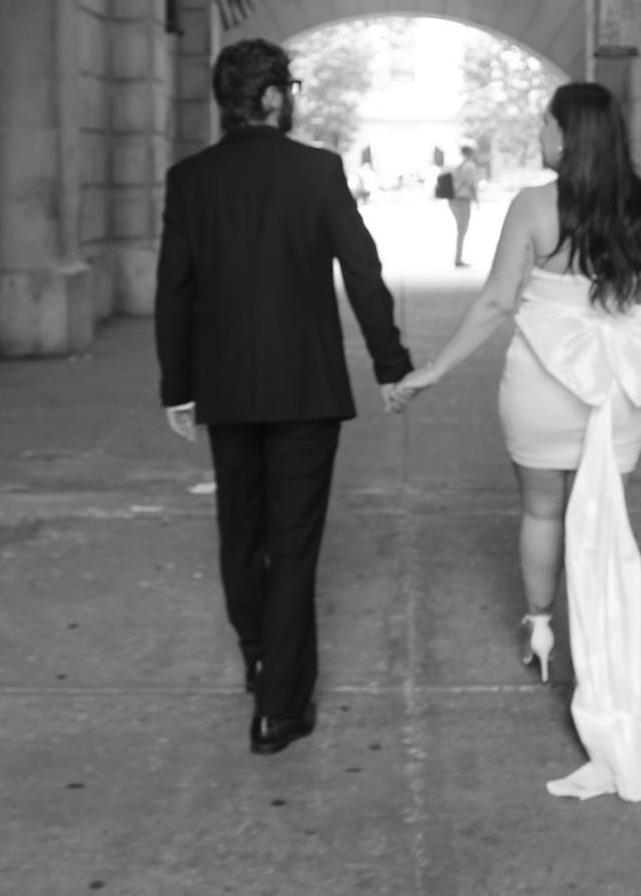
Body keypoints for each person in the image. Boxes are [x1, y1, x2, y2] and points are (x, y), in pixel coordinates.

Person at [396, 82, 641, 802]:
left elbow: (498, 300)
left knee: (541, 510)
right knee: (602, 516)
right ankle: (601, 647)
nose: (539, 134)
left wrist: (433, 369)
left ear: (566, 135)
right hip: (615, 393)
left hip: (542, 386)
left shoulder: (533, 206)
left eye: (545, 125)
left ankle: (540, 629)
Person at [154, 38, 413, 756]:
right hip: (305, 387)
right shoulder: (317, 171)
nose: (292, 98)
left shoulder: (190, 179)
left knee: (241, 532)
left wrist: (178, 386)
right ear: (270, 97)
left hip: (226, 386)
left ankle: (258, 656)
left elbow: (175, 287)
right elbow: (363, 271)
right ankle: (281, 708)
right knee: (293, 545)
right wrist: (390, 364)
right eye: (289, 88)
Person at [448, 143, 479, 267]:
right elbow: (471, 184)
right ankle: (458, 258)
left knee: (460, 229)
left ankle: (458, 257)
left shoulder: (458, 165)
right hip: (462, 200)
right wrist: (476, 199)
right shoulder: (470, 166)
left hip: (453, 199)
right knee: (462, 229)